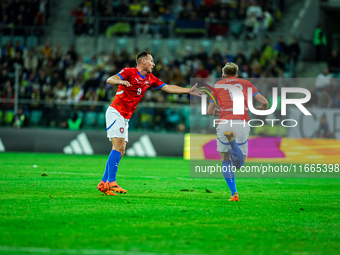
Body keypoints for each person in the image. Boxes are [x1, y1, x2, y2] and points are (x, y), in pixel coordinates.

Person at [97, 51, 203, 196]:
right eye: (151, 61)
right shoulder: (129, 72)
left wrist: (188, 91)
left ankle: (104, 182)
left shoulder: (150, 78)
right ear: (143, 62)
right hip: (116, 112)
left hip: (125, 117)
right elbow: (110, 79)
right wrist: (120, 81)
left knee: (120, 151)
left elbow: (167, 88)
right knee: (118, 147)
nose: (153, 64)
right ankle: (112, 183)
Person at [207, 62, 268, 202]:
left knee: (225, 161)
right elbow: (264, 101)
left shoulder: (217, 85)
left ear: (223, 75)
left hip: (224, 123)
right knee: (239, 164)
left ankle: (234, 193)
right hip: (241, 122)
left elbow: (210, 111)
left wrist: (219, 111)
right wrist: (263, 109)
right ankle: (234, 145)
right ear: (237, 74)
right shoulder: (246, 83)